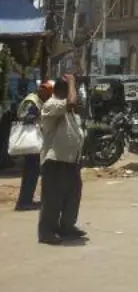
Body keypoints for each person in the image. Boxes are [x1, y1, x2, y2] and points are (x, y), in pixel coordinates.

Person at [38, 74, 86, 245]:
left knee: (73, 195)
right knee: (53, 198)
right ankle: (46, 231)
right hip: (55, 160)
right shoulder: (52, 105)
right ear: (63, 91)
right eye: (71, 90)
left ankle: (67, 226)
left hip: (71, 160)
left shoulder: (69, 111)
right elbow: (71, 102)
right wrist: (72, 82)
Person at [15, 81, 53, 211]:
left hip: (36, 142)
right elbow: (23, 116)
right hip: (30, 141)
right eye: (48, 93)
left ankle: (27, 199)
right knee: (30, 173)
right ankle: (24, 202)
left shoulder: (39, 100)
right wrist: (39, 115)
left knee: (33, 172)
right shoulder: (32, 101)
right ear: (42, 91)